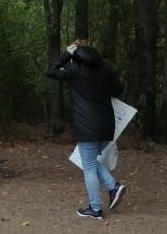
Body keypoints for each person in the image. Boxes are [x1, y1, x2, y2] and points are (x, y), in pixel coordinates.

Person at [46, 41, 127, 220]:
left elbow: (51, 71)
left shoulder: (76, 71)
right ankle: (113, 187)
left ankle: (95, 208)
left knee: (88, 166)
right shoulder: (105, 70)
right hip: (107, 125)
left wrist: (66, 55)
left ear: (78, 58)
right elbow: (119, 90)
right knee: (90, 162)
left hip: (87, 126)